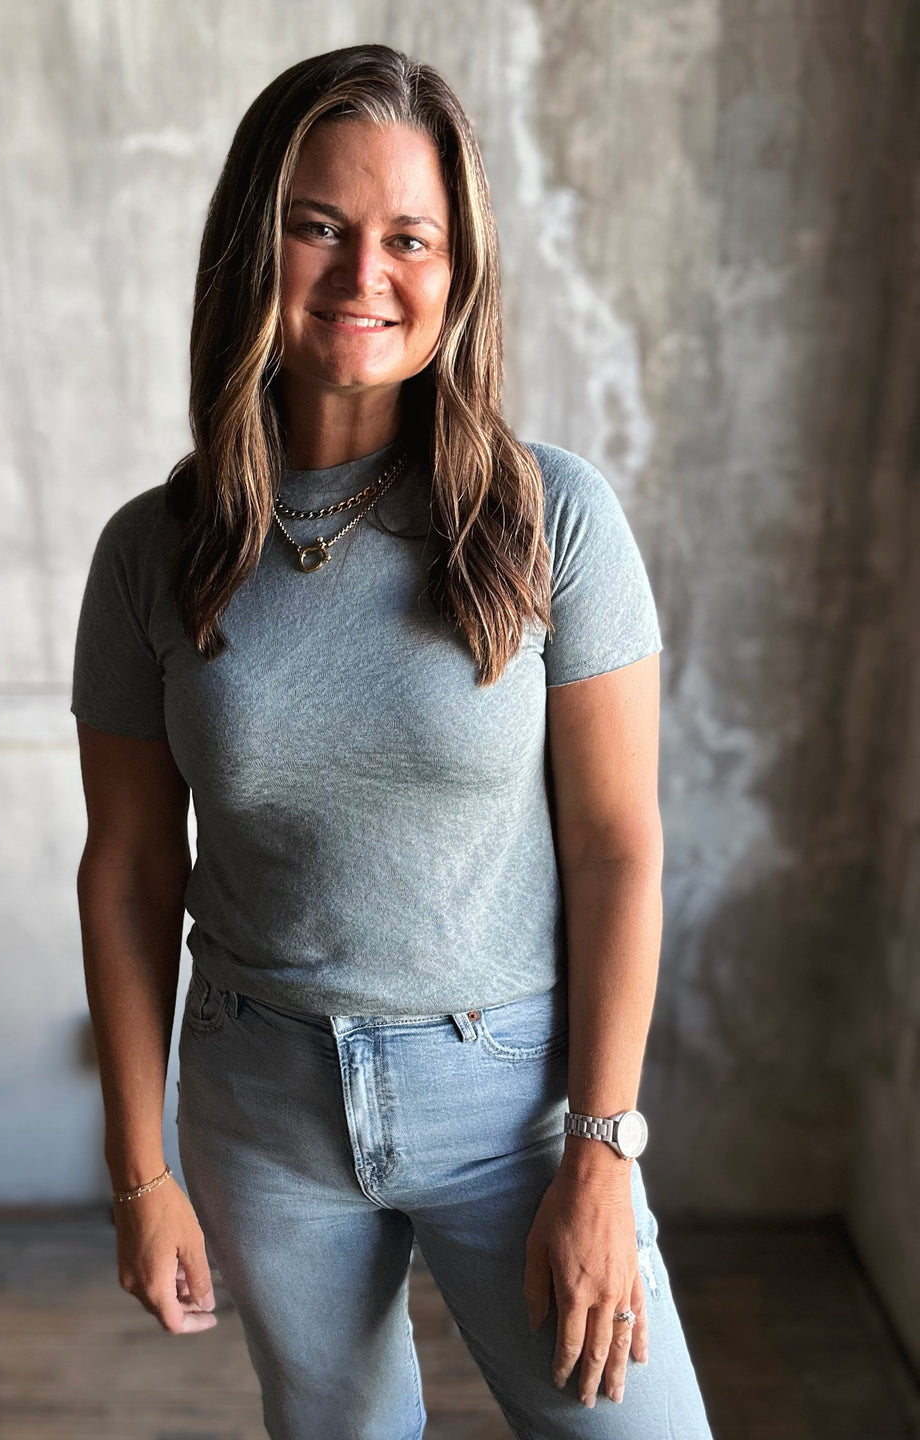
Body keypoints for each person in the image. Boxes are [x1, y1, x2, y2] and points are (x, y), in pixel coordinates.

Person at [71, 42, 714, 1440]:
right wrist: (141, 1165)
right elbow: (126, 871)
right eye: (320, 225)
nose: (367, 273)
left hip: (520, 1105)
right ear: (258, 241)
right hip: (263, 1106)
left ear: (458, 265)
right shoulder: (152, 554)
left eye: (409, 236)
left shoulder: (556, 516)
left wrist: (603, 1155)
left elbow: (615, 848)